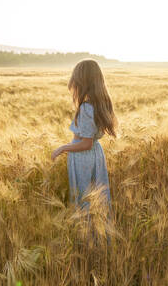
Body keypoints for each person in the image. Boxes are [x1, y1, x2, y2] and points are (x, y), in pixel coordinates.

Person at [51, 59, 117, 244]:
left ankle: (89, 240)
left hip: (84, 159)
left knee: (85, 199)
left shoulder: (87, 108)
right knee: (97, 199)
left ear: (82, 82)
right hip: (96, 156)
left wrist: (63, 147)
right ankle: (99, 238)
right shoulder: (99, 104)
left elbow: (86, 143)